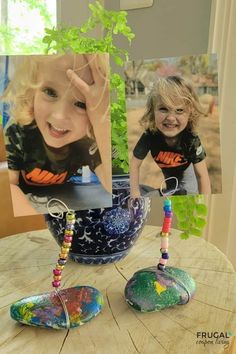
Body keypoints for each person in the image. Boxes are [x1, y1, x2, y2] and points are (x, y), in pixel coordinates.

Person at [2, 53, 112, 216]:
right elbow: (8, 186)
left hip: (63, 204)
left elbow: (116, 186)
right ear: (33, 91)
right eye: (50, 92)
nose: (59, 116)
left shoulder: (88, 139)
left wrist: (103, 122)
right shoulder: (18, 130)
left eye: (82, 103)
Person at [130, 75, 211, 198]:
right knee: (136, 191)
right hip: (170, 183)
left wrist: (204, 204)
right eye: (163, 109)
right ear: (153, 111)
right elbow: (134, 165)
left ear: (190, 113)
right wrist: (135, 195)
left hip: (187, 185)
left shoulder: (191, 139)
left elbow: (202, 175)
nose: (171, 118)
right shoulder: (150, 135)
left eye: (179, 110)